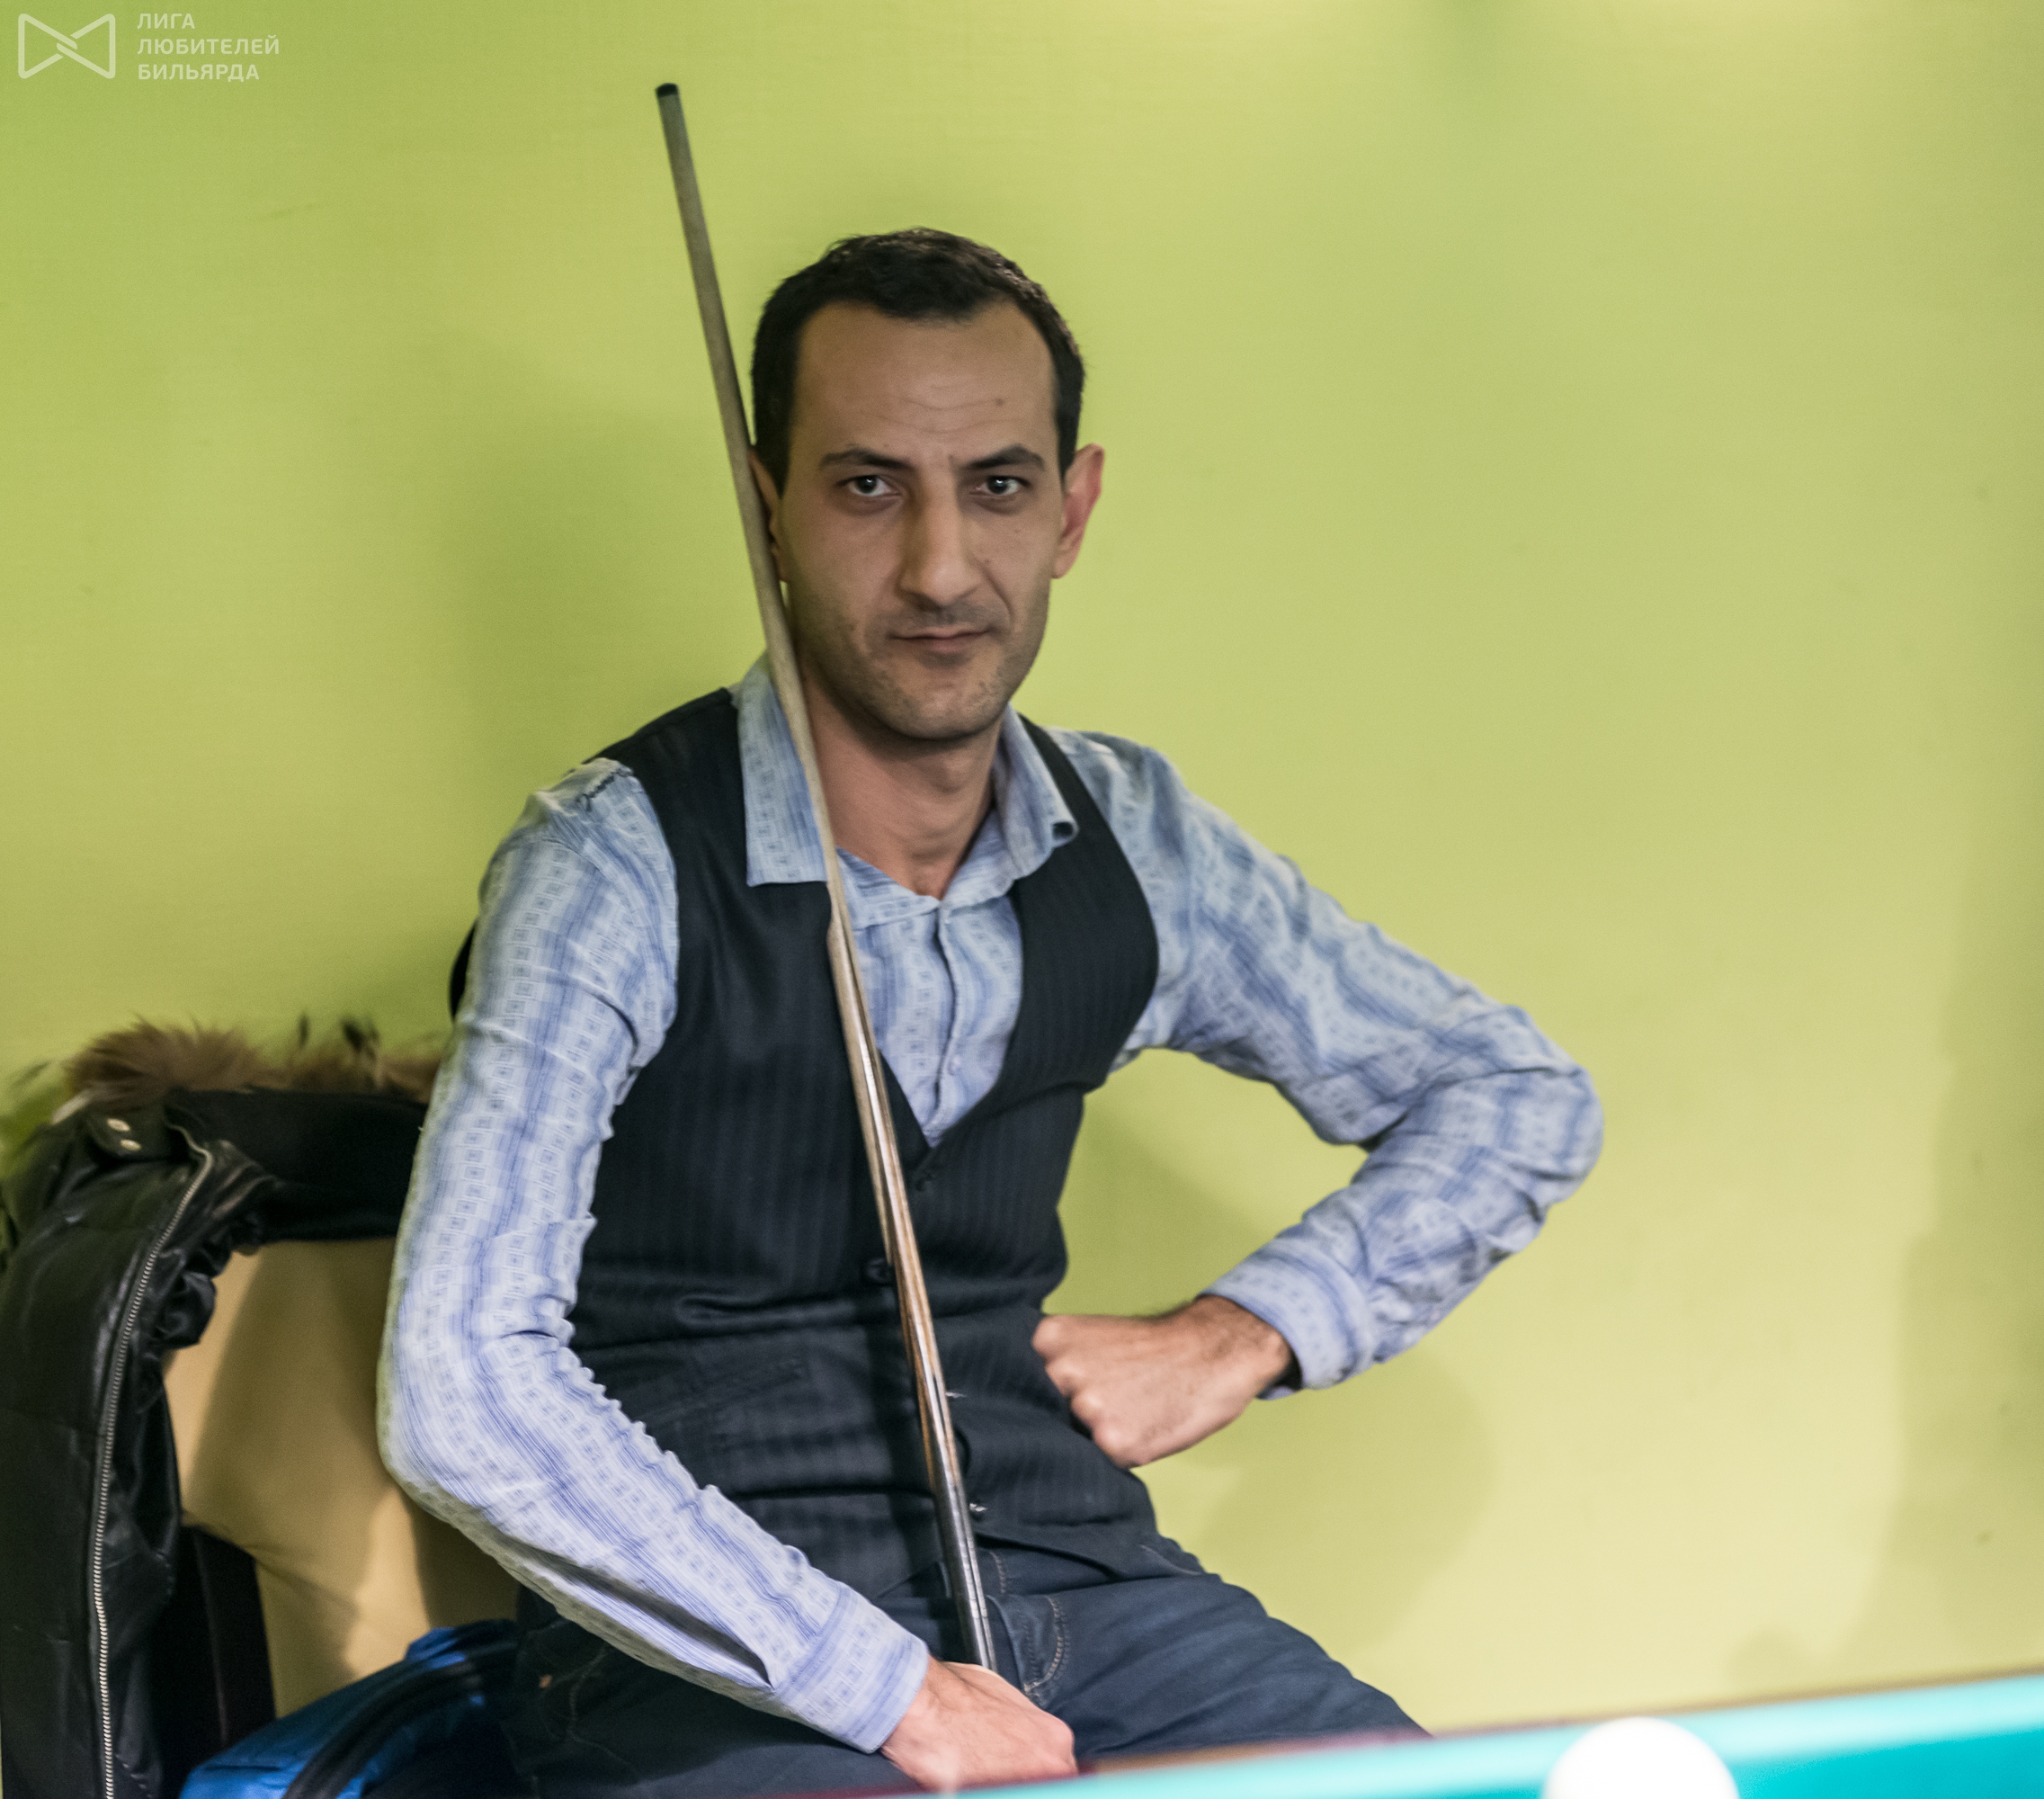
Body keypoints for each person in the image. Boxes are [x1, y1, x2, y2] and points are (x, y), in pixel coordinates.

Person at [380, 229, 1602, 1797]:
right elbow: (463, 1386)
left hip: (1086, 1590)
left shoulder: (1137, 841)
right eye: (868, 486)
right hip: (714, 1657)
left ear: (1071, 510)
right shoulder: (609, 866)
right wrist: (886, 1688)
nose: (943, 568)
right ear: (766, 507)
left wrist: (1250, 1331)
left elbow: (1512, 1091)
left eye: (1000, 486)